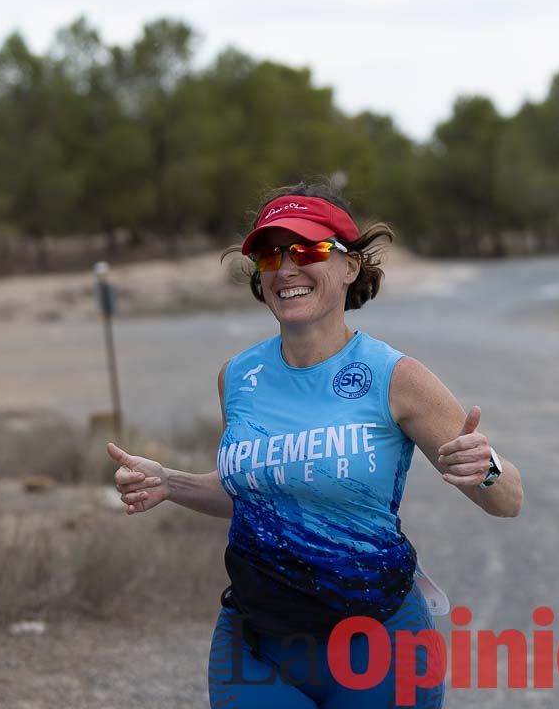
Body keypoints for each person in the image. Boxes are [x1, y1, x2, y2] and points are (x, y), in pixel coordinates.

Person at [107, 181, 523, 708]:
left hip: (378, 645)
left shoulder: (395, 376)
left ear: (350, 266)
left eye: (307, 250)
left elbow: (509, 499)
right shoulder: (237, 376)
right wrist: (170, 482)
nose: (286, 268)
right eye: (269, 253)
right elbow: (262, 489)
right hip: (255, 644)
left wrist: (483, 467)